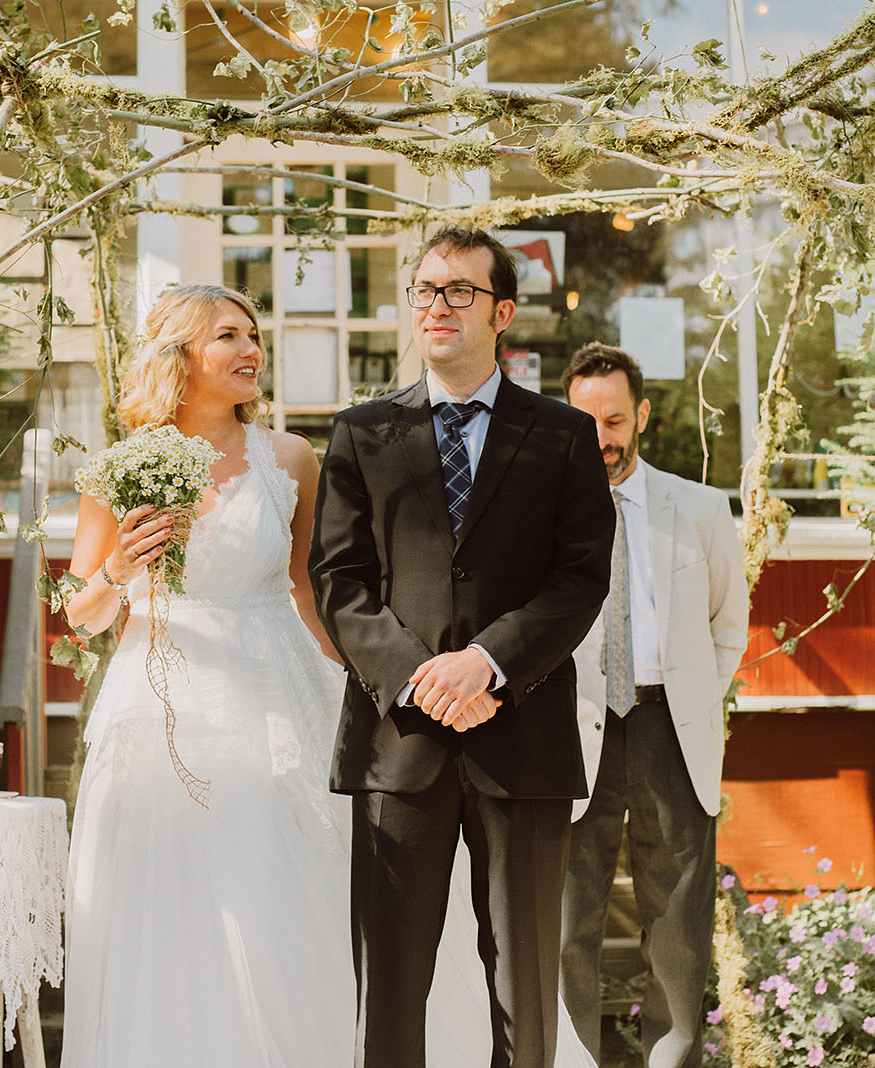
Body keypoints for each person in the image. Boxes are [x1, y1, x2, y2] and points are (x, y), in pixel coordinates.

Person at [59, 283, 600, 1068]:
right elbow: (83, 614)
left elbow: (322, 594)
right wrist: (118, 568)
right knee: (166, 908)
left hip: (277, 696)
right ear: (181, 355)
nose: (250, 351)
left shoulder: (290, 458)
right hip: (157, 710)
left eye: (253, 334)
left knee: (293, 899)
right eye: (227, 337)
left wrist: (401, 692)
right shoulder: (121, 466)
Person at [309, 225, 616, 1068]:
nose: (436, 306)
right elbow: (340, 581)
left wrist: (487, 665)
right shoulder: (360, 433)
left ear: (503, 312)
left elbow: (580, 578)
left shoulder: (563, 435)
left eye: (459, 292)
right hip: (398, 744)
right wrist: (418, 676)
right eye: (424, 291)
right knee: (392, 992)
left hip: (522, 741)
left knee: (523, 993)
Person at [558, 342, 749, 1068]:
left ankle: (673, 1057)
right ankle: (571, 1056)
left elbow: (729, 626)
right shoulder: (544, 512)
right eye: (585, 422)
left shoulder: (698, 508)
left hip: (670, 724)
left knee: (676, 914)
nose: (601, 437)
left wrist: (692, 698)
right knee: (571, 908)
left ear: (640, 415)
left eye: (613, 419)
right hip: (576, 729)